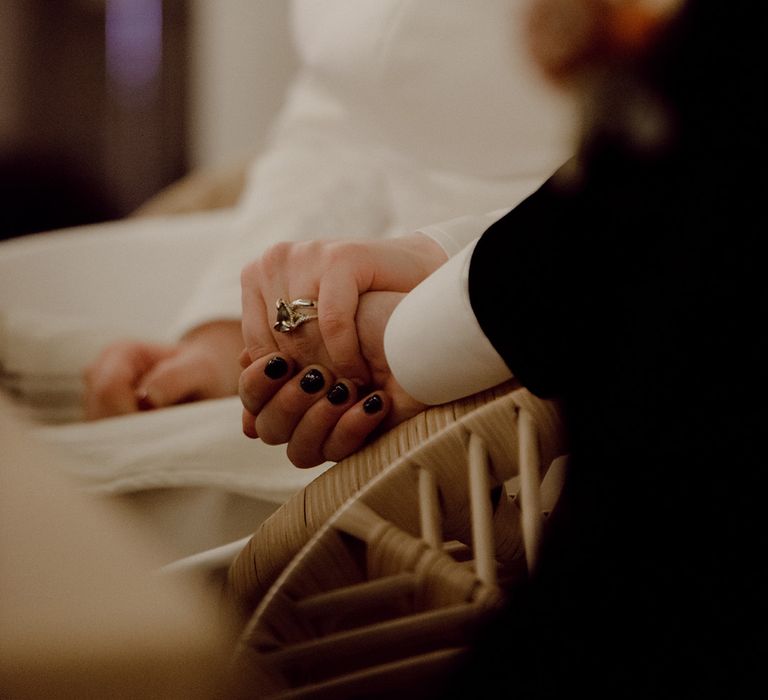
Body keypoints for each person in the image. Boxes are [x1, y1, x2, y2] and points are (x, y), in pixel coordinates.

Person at [238, 0, 767, 694]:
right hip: (417, 275)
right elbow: (336, 105)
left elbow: (701, 129)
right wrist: (233, 325)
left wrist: (420, 327)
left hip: (527, 387)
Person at [83, 0, 573, 420]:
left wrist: (445, 316)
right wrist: (235, 335)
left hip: (547, 336)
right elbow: (339, 110)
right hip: (358, 307)